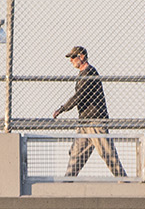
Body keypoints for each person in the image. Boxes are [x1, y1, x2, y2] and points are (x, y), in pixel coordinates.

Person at [54, 45, 126, 178]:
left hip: (95, 122)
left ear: (82, 57)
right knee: (75, 156)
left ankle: (124, 181)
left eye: (73, 57)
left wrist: (63, 108)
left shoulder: (90, 73)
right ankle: (66, 184)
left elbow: (80, 95)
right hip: (84, 123)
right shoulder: (82, 74)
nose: (71, 60)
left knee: (108, 154)